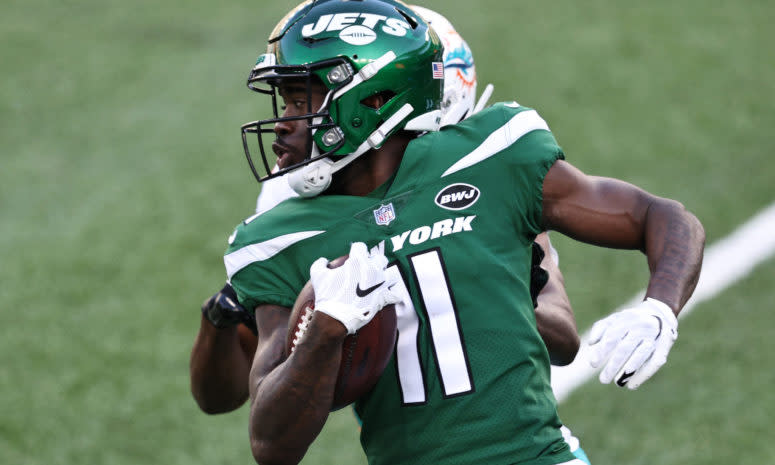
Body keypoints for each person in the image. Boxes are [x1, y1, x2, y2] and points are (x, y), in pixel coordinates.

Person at [227, 1, 705, 464]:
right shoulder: (279, 235)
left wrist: (659, 309)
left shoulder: (492, 156)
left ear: (371, 98)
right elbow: (271, 446)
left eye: (298, 99)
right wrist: (325, 330)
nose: (282, 125)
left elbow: (661, 216)